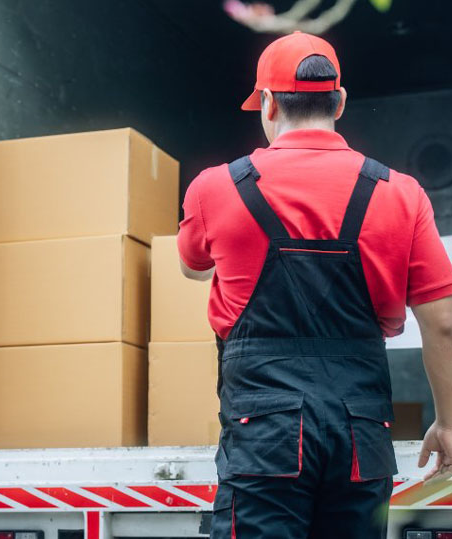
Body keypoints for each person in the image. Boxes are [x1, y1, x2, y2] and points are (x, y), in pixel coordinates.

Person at [178, 32, 452, 537]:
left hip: (263, 434)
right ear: (340, 102)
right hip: (360, 432)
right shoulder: (403, 193)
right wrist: (449, 422)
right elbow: (444, 323)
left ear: (267, 103)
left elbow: (193, 267)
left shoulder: (215, 187)